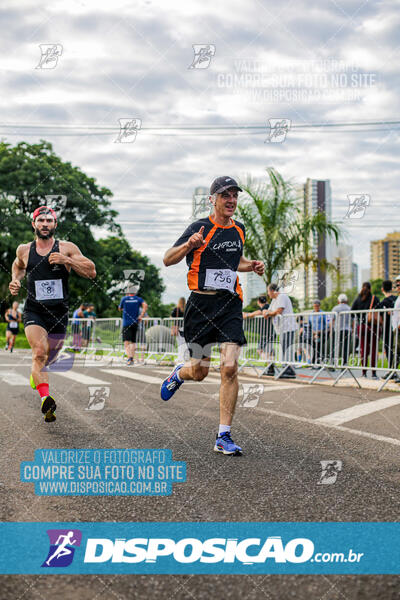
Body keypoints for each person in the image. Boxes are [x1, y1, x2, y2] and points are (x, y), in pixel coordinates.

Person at [160, 175, 264, 456]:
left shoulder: (239, 230)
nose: (231, 200)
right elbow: (168, 259)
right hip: (200, 307)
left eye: (234, 195)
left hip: (230, 304)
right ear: (212, 200)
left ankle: (223, 436)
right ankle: (180, 374)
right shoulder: (199, 227)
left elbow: (236, 262)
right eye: (225, 195)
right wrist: (189, 245)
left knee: (229, 368)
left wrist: (251, 265)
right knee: (200, 371)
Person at [8, 206, 96, 422]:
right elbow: (18, 266)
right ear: (34, 224)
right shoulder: (24, 250)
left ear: (55, 225)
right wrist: (16, 279)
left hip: (59, 312)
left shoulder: (66, 248)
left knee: (51, 357)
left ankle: (35, 375)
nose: (45, 224)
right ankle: (46, 399)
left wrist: (68, 261)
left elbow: (91, 271)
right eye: (41, 220)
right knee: (39, 352)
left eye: (49, 220)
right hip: (34, 310)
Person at [262, 283, 297, 378]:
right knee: (284, 349)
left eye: (268, 291)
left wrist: (268, 313)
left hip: (288, 328)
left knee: (287, 349)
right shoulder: (274, 300)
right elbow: (268, 311)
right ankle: (287, 369)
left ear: (273, 291)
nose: (268, 294)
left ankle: (290, 371)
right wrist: (266, 312)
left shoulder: (282, 296)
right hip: (281, 329)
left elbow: (278, 311)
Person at [351, 281, 379, 379]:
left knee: (363, 349)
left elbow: (351, 312)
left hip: (361, 327)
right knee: (373, 349)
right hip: (373, 327)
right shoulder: (374, 298)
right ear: (370, 289)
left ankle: (363, 373)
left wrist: (359, 317)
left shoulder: (358, 299)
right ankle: (374, 373)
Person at [243, 295, 275, 375]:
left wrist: (247, 315)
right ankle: (270, 368)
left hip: (266, 333)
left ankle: (270, 366)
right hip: (267, 332)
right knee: (267, 352)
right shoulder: (267, 306)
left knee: (260, 350)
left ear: (258, 302)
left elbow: (260, 312)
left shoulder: (266, 307)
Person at [118, 291, 148, 365]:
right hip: (135, 323)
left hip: (126, 323)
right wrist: (141, 315)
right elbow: (145, 305)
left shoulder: (124, 299)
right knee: (133, 341)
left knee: (126, 341)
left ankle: (130, 358)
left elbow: (119, 308)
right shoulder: (138, 299)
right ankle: (132, 358)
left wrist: (124, 308)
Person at [378, 281, 398, 380]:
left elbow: (378, 317)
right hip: (396, 328)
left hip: (387, 329)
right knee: (396, 350)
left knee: (389, 350)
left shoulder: (383, 303)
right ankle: (393, 371)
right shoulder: (396, 299)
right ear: (392, 288)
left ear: (382, 289)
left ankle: (392, 371)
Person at [331, 293, 351, 366]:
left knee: (334, 346)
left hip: (337, 330)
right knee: (345, 347)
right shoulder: (350, 308)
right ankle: (345, 363)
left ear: (338, 301)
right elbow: (353, 320)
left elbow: (332, 320)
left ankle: (332, 363)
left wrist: (331, 330)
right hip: (347, 330)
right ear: (347, 300)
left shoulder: (335, 308)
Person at [308, 299, 328, 365]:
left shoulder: (323, 313)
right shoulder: (311, 314)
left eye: (317, 306)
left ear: (319, 306)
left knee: (319, 347)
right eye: (314, 306)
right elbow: (309, 324)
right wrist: (313, 332)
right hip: (313, 333)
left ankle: (319, 362)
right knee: (313, 347)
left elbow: (327, 324)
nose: (316, 307)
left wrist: (320, 332)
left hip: (321, 333)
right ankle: (314, 362)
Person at [171, 297, 188, 364]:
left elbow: (172, 317)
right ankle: (186, 357)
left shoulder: (176, 309)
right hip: (186, 328)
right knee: (186, 344)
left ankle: (180, 357)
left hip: (178, 328)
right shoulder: (187, 309)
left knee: (179, 344)